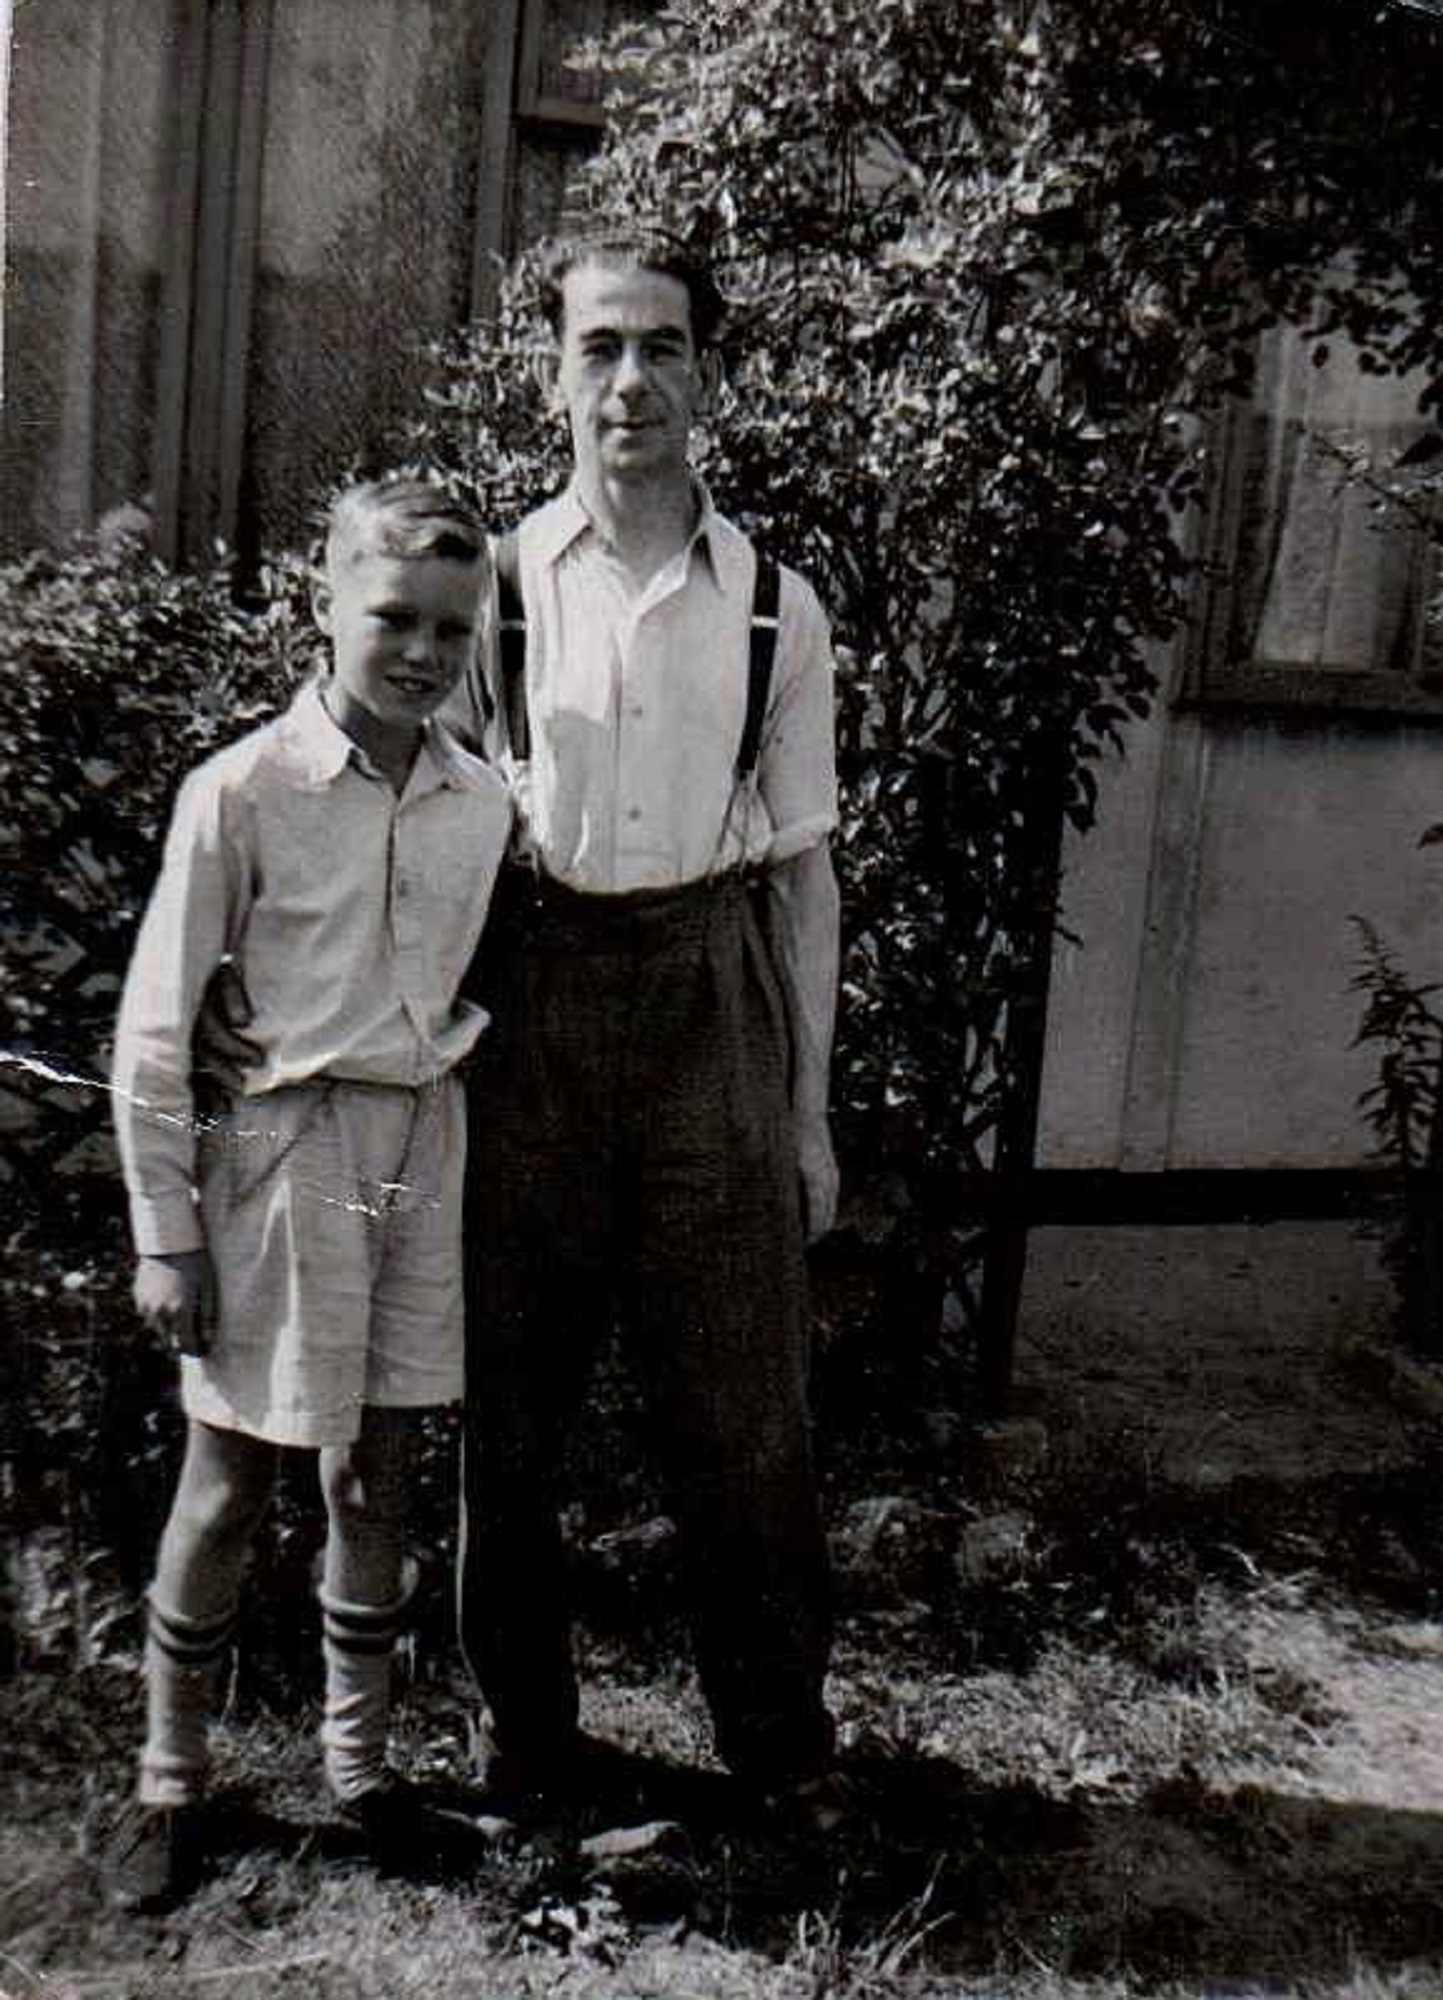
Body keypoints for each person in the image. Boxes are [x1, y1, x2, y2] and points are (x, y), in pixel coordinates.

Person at [447, 225, 844, 1837]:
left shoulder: (773, 609)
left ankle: (779, 1750)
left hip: (711, 993)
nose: (633, 381)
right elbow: (433, 835)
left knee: (745, 1410)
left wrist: (806, 1112)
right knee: (511, 1402)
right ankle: (525, 1745)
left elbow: (808, 876)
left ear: (710, 375)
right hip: (533, 995)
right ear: (555, 378)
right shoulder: (493, 589)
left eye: (664, 347)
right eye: (600, 347)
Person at [107, 479, 510, 1912]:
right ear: (325, 604)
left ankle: (360, 1772)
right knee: (227, 1475)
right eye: (391, 616)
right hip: (282, 1162)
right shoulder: (241, 790)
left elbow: (480, 973)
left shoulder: (482, 800)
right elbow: (159, 1025)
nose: (417, 650)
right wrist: (166, 1230)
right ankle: (171, 1782)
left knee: (379, 1472)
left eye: (449, 629)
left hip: (419, 1151)